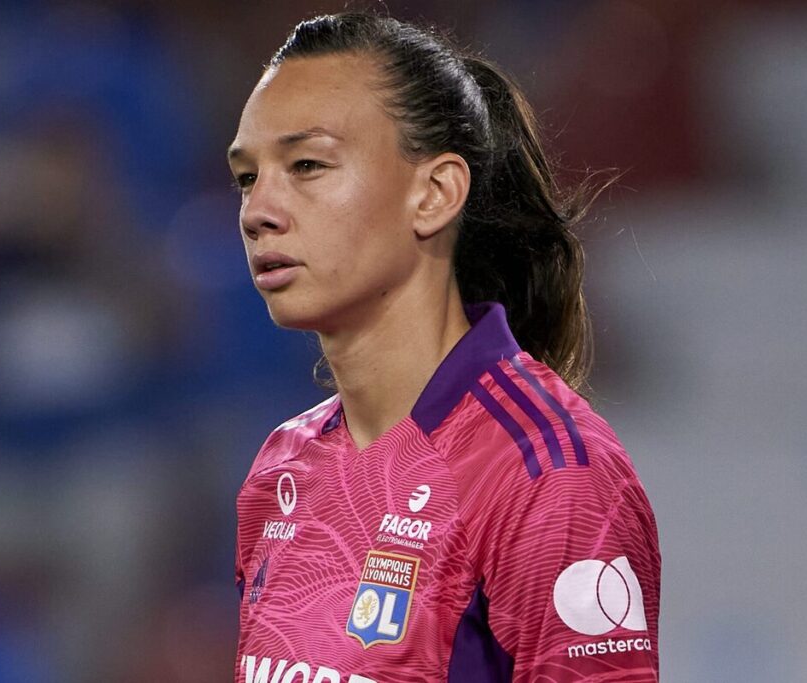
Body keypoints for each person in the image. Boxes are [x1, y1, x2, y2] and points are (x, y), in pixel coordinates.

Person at [227, 11, 660, 683]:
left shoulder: (550, 474)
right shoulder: (281, 470)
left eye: (307, 164)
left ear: (433, 194)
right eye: (247, 177)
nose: (259, 210)